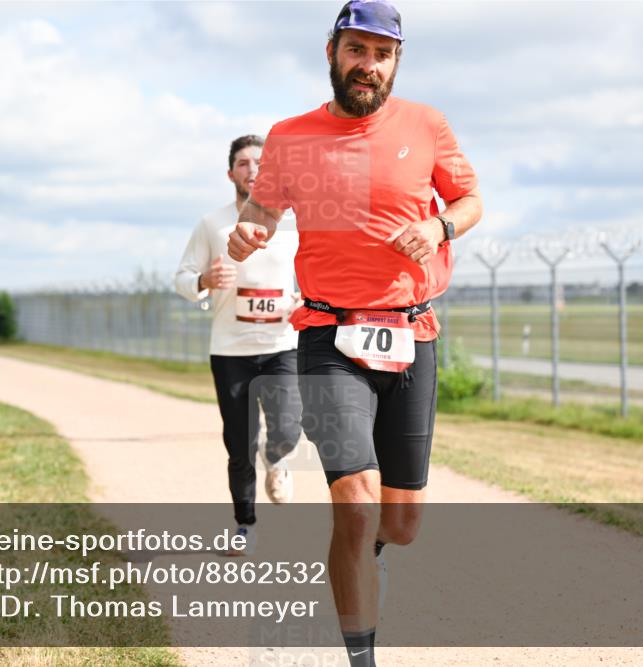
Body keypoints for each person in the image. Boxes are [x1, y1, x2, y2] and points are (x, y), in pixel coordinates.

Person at [228, 2, 483, 664]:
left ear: (396, 61)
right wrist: (251, 225)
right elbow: (265, 205)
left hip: (410, 333)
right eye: (357, 49)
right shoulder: (289, 135)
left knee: (399, 524)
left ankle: (362, 560)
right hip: (328, 335)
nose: (369, 65)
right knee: (357, 507)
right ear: (332, 51)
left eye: (383, 53)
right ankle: (361, 654)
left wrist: (439, 227)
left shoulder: (427, 126)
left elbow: (470, 198)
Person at [175, 134, 303, 556]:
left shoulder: (293, 222)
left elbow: (312, 274)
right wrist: (204, 282)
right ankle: (244, 524)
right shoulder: (213, 224)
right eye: (244, 163)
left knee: (286, 428)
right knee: (239, 442)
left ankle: (278, 457)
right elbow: (183, 278)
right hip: (230, 349)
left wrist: (303, 298)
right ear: (231, 173)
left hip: (282, 342)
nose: (253, 169)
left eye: (260, 163)